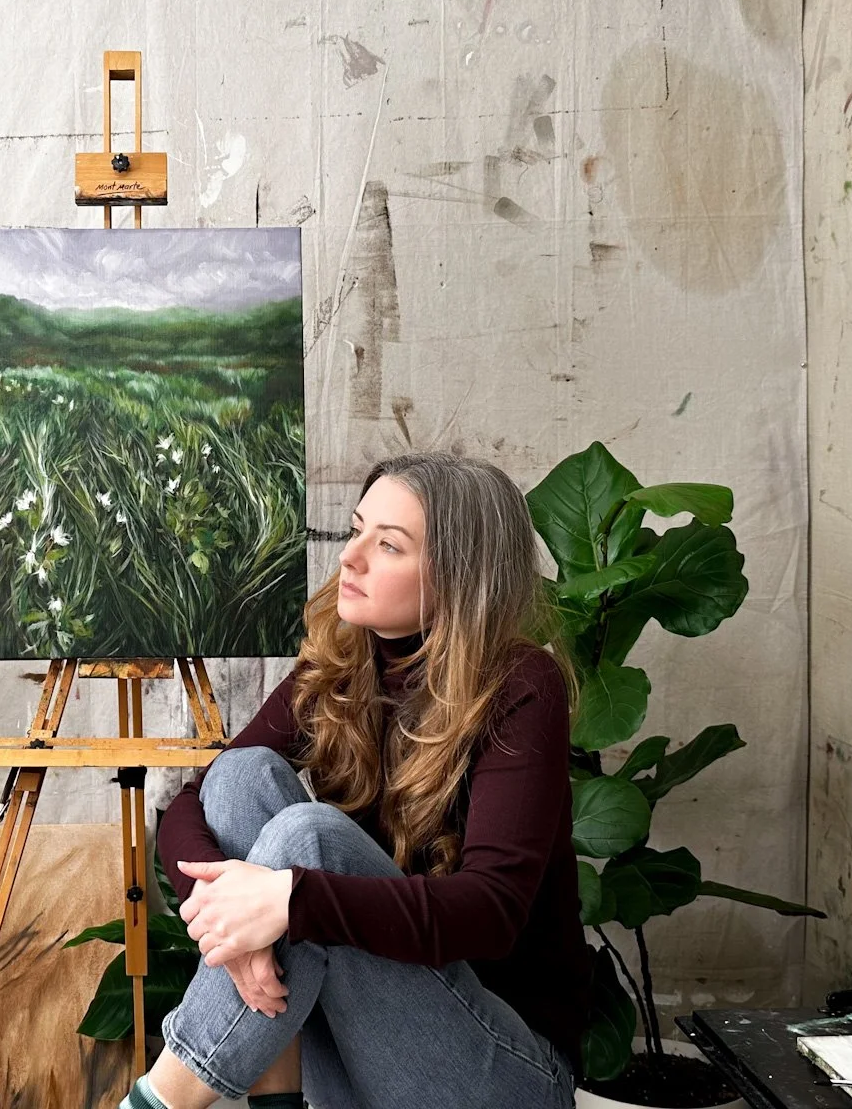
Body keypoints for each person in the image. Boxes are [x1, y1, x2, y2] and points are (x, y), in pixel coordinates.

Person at [121, 452, 588, 1109]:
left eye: (388, 545)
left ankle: (154, 1101)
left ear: (459, 578)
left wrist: (288, 902)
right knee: (241, 777)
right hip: (361, 1058)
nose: (351, 558)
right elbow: (192, 807)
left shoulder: (519, 685)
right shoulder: (344, 662)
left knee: (307, 839)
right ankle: (274, 1104)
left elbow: (490, 915)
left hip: (500, 1073)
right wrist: (240, 939)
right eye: (356, 531)